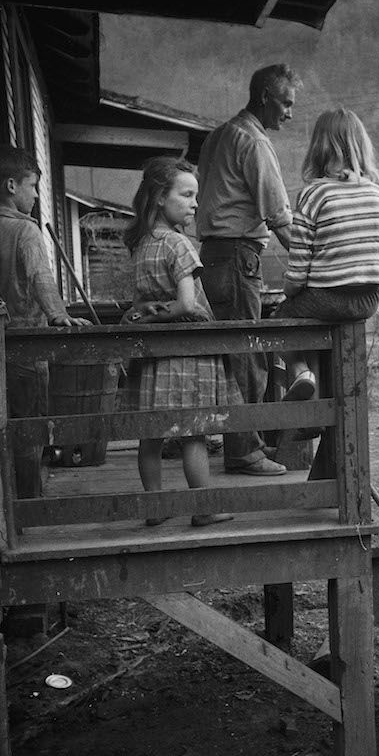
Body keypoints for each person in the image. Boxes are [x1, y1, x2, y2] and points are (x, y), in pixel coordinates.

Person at [196, 63, 301, 476]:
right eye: (286, 103)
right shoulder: (253, 142)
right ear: (264, 98)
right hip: (238, 257)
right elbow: (277, 214)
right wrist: (311, 262)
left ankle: (239, 444)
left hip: (214, 254)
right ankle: (245, 452)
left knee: (231, 355)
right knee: (246, 357)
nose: (289, 113)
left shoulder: (218, 135)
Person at [123, 156, 238, 528]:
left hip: (152, 354)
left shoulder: (140, 244)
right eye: (186, 194)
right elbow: (188, 303)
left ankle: (155, 507)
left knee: (151, 435)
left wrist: (149, 314)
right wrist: (169, 312)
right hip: (188, 351)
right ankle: (203, 509)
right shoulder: (179, 244)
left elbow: (139, 303)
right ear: (159, 196)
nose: (193, 203)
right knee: (194, 434)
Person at [0, 144, 89, 498]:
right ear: (11, 186)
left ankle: (10, 503)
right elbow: (40, 277)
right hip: (26, 342)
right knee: (29, 430)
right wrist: (58, 314)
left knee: (4, 429)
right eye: (33, 186)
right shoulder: (26, 230)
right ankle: (30, 504)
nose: (36, 195)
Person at [274, 108, 379, 402]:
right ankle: (318, 399)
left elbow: (298, 271)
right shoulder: (377, 194)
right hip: (368, 301)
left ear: (318, 147)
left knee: (280, 321)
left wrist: (289, 294)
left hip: (326, 298)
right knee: (314, 320)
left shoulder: (314, 194)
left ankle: (302, 374)